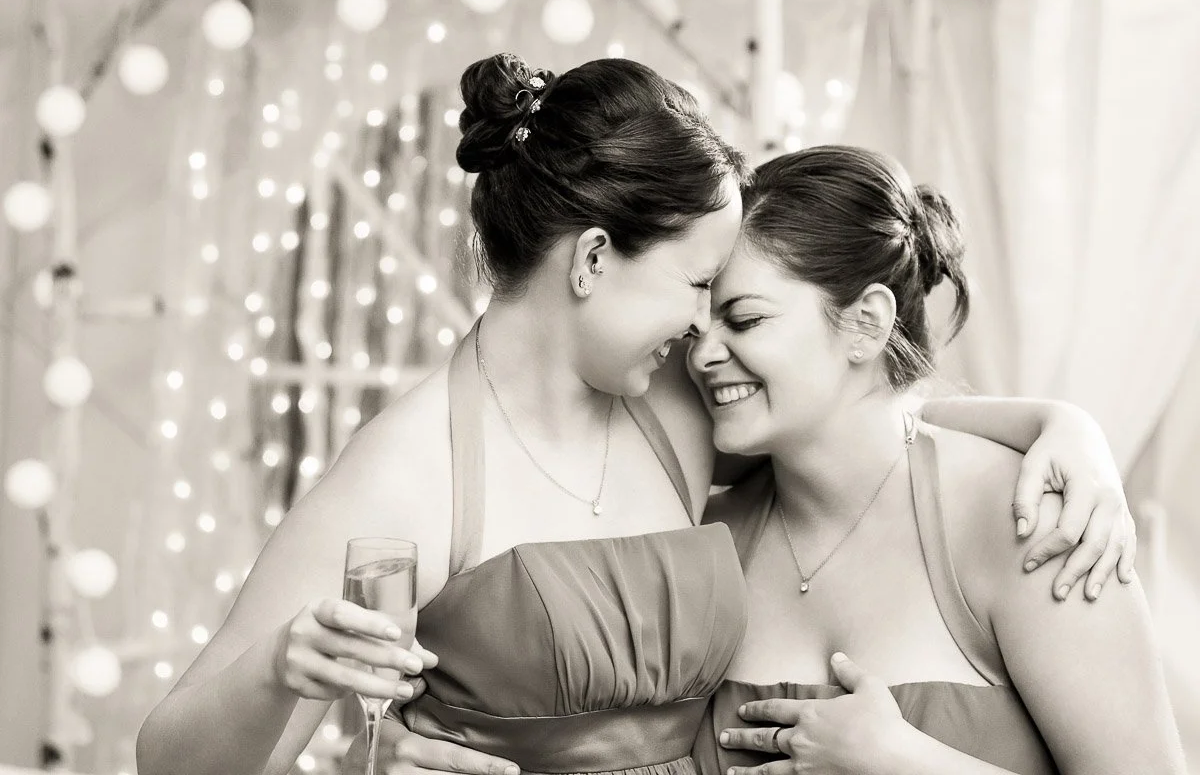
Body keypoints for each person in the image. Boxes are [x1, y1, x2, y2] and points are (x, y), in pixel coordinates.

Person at [136, 54, 1134, 775]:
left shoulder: (673, 407)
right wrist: (283, 674)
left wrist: (1058, 425)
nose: (705, 331)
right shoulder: (409, 470)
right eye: (698, 284)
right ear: (593, 259)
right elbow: (166, 761)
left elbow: (851, 411)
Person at [691, 146, 1184, 774]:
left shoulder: (1028, 522)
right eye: (695, 329)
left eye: (745, 319)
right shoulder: (709, 540)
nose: (704, 355)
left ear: (866, 323)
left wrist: (902, 762)